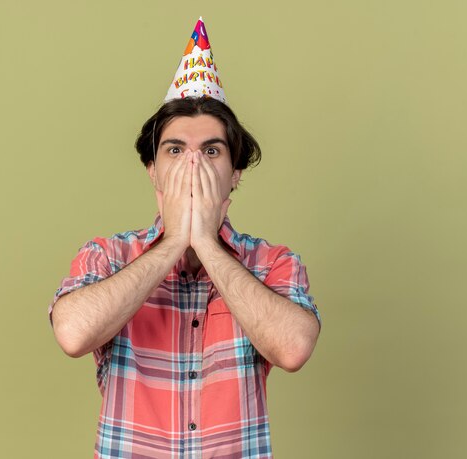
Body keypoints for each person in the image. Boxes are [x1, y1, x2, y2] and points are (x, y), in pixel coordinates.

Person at [48, 17, 321, 459]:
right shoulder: (107, 256)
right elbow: (73, 335)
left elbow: (293, 348)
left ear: (234, 175)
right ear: (153, 171)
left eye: (211, 151)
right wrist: (173, 241)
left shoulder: (273, 263)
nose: (193, 165)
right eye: (175, 150)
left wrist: (208, 245)